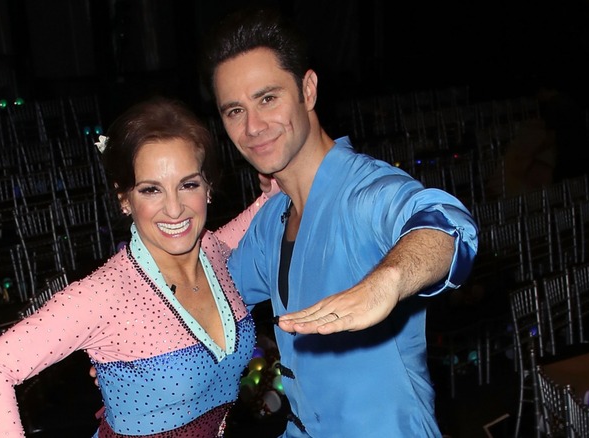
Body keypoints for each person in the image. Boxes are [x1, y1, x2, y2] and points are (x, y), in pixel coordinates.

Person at [201, 8, 479, 437]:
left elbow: (447, 226)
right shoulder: (273, 219)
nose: (253, 126)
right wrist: (134, 354)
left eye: (268, 98)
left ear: (308, 90)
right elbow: (214, 296)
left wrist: (387, 280)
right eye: (234, 110)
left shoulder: (362, 194)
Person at [0, 97, 275, 437]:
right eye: (151, 189)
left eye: (188, 185)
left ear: (208, 187)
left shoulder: (211, 251)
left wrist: (270, 195)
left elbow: (236, 232)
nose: (174, 209)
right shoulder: (104, 294)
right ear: (124, 198)